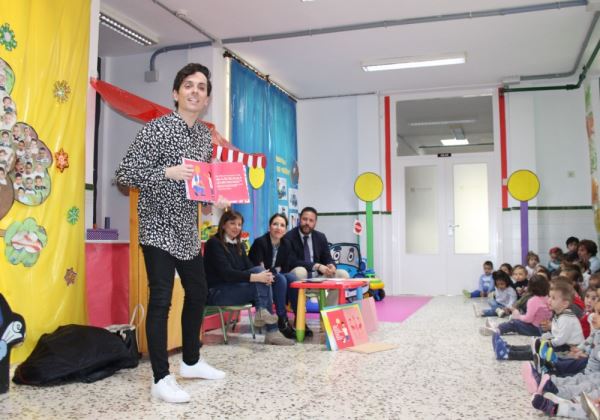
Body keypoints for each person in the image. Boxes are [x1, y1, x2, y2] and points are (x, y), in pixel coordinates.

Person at [115, 63, 224, 404]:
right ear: (176, 94)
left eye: (201, 87)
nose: (195, 91)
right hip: (157, 226)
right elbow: (125, 174)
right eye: (188, 85)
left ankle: (191, 361)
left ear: (206, 98)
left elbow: (197, 186)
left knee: (198, 292)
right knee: (161, 298)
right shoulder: (156, 129)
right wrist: (167, 172)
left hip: (187, 231)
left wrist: (210, 197)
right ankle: (161, 378)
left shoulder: (205, 137)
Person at [203, 210, 295, 346]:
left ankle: (262, 314)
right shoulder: (214, 243)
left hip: (234, 288)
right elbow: (227, 274)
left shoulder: (237, 245)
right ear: (223, 225)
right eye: (232, 223)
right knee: (260, 278)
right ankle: (271, 330)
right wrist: (257, 276)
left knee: (262, 276)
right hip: (217, 292)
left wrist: (264, 275)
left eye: (239, 224)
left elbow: (250, 267)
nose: (236, 227)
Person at [524, 301, 600, 417]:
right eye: (595, 312)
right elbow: (589, 343)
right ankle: (550, 384)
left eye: (599, 313)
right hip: (592, 371)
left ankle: (558, 400)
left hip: (594, 375)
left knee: (584, 387)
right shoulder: (597, 332)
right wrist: (582, 350)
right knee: (577, 380)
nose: (593, 315)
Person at [284, 206, 348, 322]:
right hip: (298, 279)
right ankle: (300, 316)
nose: (307, 223)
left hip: (318, 278)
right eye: (304, 219)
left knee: (343, 274)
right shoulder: (289, 237)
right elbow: (291, 262)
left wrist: (331, 265)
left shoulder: (320, 237)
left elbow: (327, 257)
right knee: (300, 271)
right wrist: (317, 266)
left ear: (315, 223)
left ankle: (328, 317)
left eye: (311, 220)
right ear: (299, 219)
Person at [493, 279, 584, 361]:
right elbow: (556, 331)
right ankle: (509, 348)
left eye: (553, 298)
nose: (549, 300)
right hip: (562, 344)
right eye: (549, 296)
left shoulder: (566, 318)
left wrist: (547, 342)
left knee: (538, 352)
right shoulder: (560, 314)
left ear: (565, 304)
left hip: (568, 349)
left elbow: (561, 339)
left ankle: (508, 354)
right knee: (534, 346)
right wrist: (544, 337)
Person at [248, 213, 299, 339]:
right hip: (257, 277)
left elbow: (285, 267)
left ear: (285, 230)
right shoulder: (261, 242)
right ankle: (282, 319)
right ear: (269, 227)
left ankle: (299, 318)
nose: (278, 228)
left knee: (292, 278)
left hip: (274, 275)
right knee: (281, 278)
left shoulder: (287, 244)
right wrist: (275, 271)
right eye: (275, 224)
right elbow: (260, 267)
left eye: (282, 225)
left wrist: (275, 271)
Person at [479, 274, 551, 337]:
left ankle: (497, 330)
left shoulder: (533, 300)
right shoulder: (548, 297)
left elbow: (528, 319)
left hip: (535, 329)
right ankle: (496, 326)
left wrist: (518, 316)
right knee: (515, 321)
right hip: (543, 328)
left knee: (514, 323)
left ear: (530, 286)